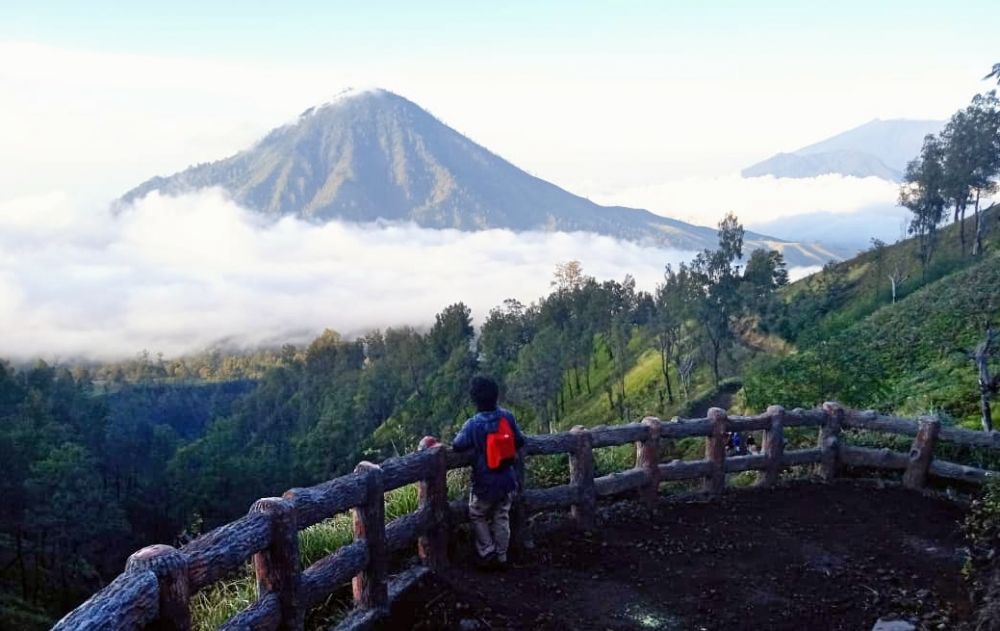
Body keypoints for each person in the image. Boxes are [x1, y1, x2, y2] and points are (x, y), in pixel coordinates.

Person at [452, 375, 526, 569]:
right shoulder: (507, 417)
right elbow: (520, 440)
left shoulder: (473, 424)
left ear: (474, 399)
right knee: (502, 515)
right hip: (507, 479)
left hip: (484, 483)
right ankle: (502, 556)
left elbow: (457, 445)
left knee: (477, 513)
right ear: (496, 395)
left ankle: (487, 551)